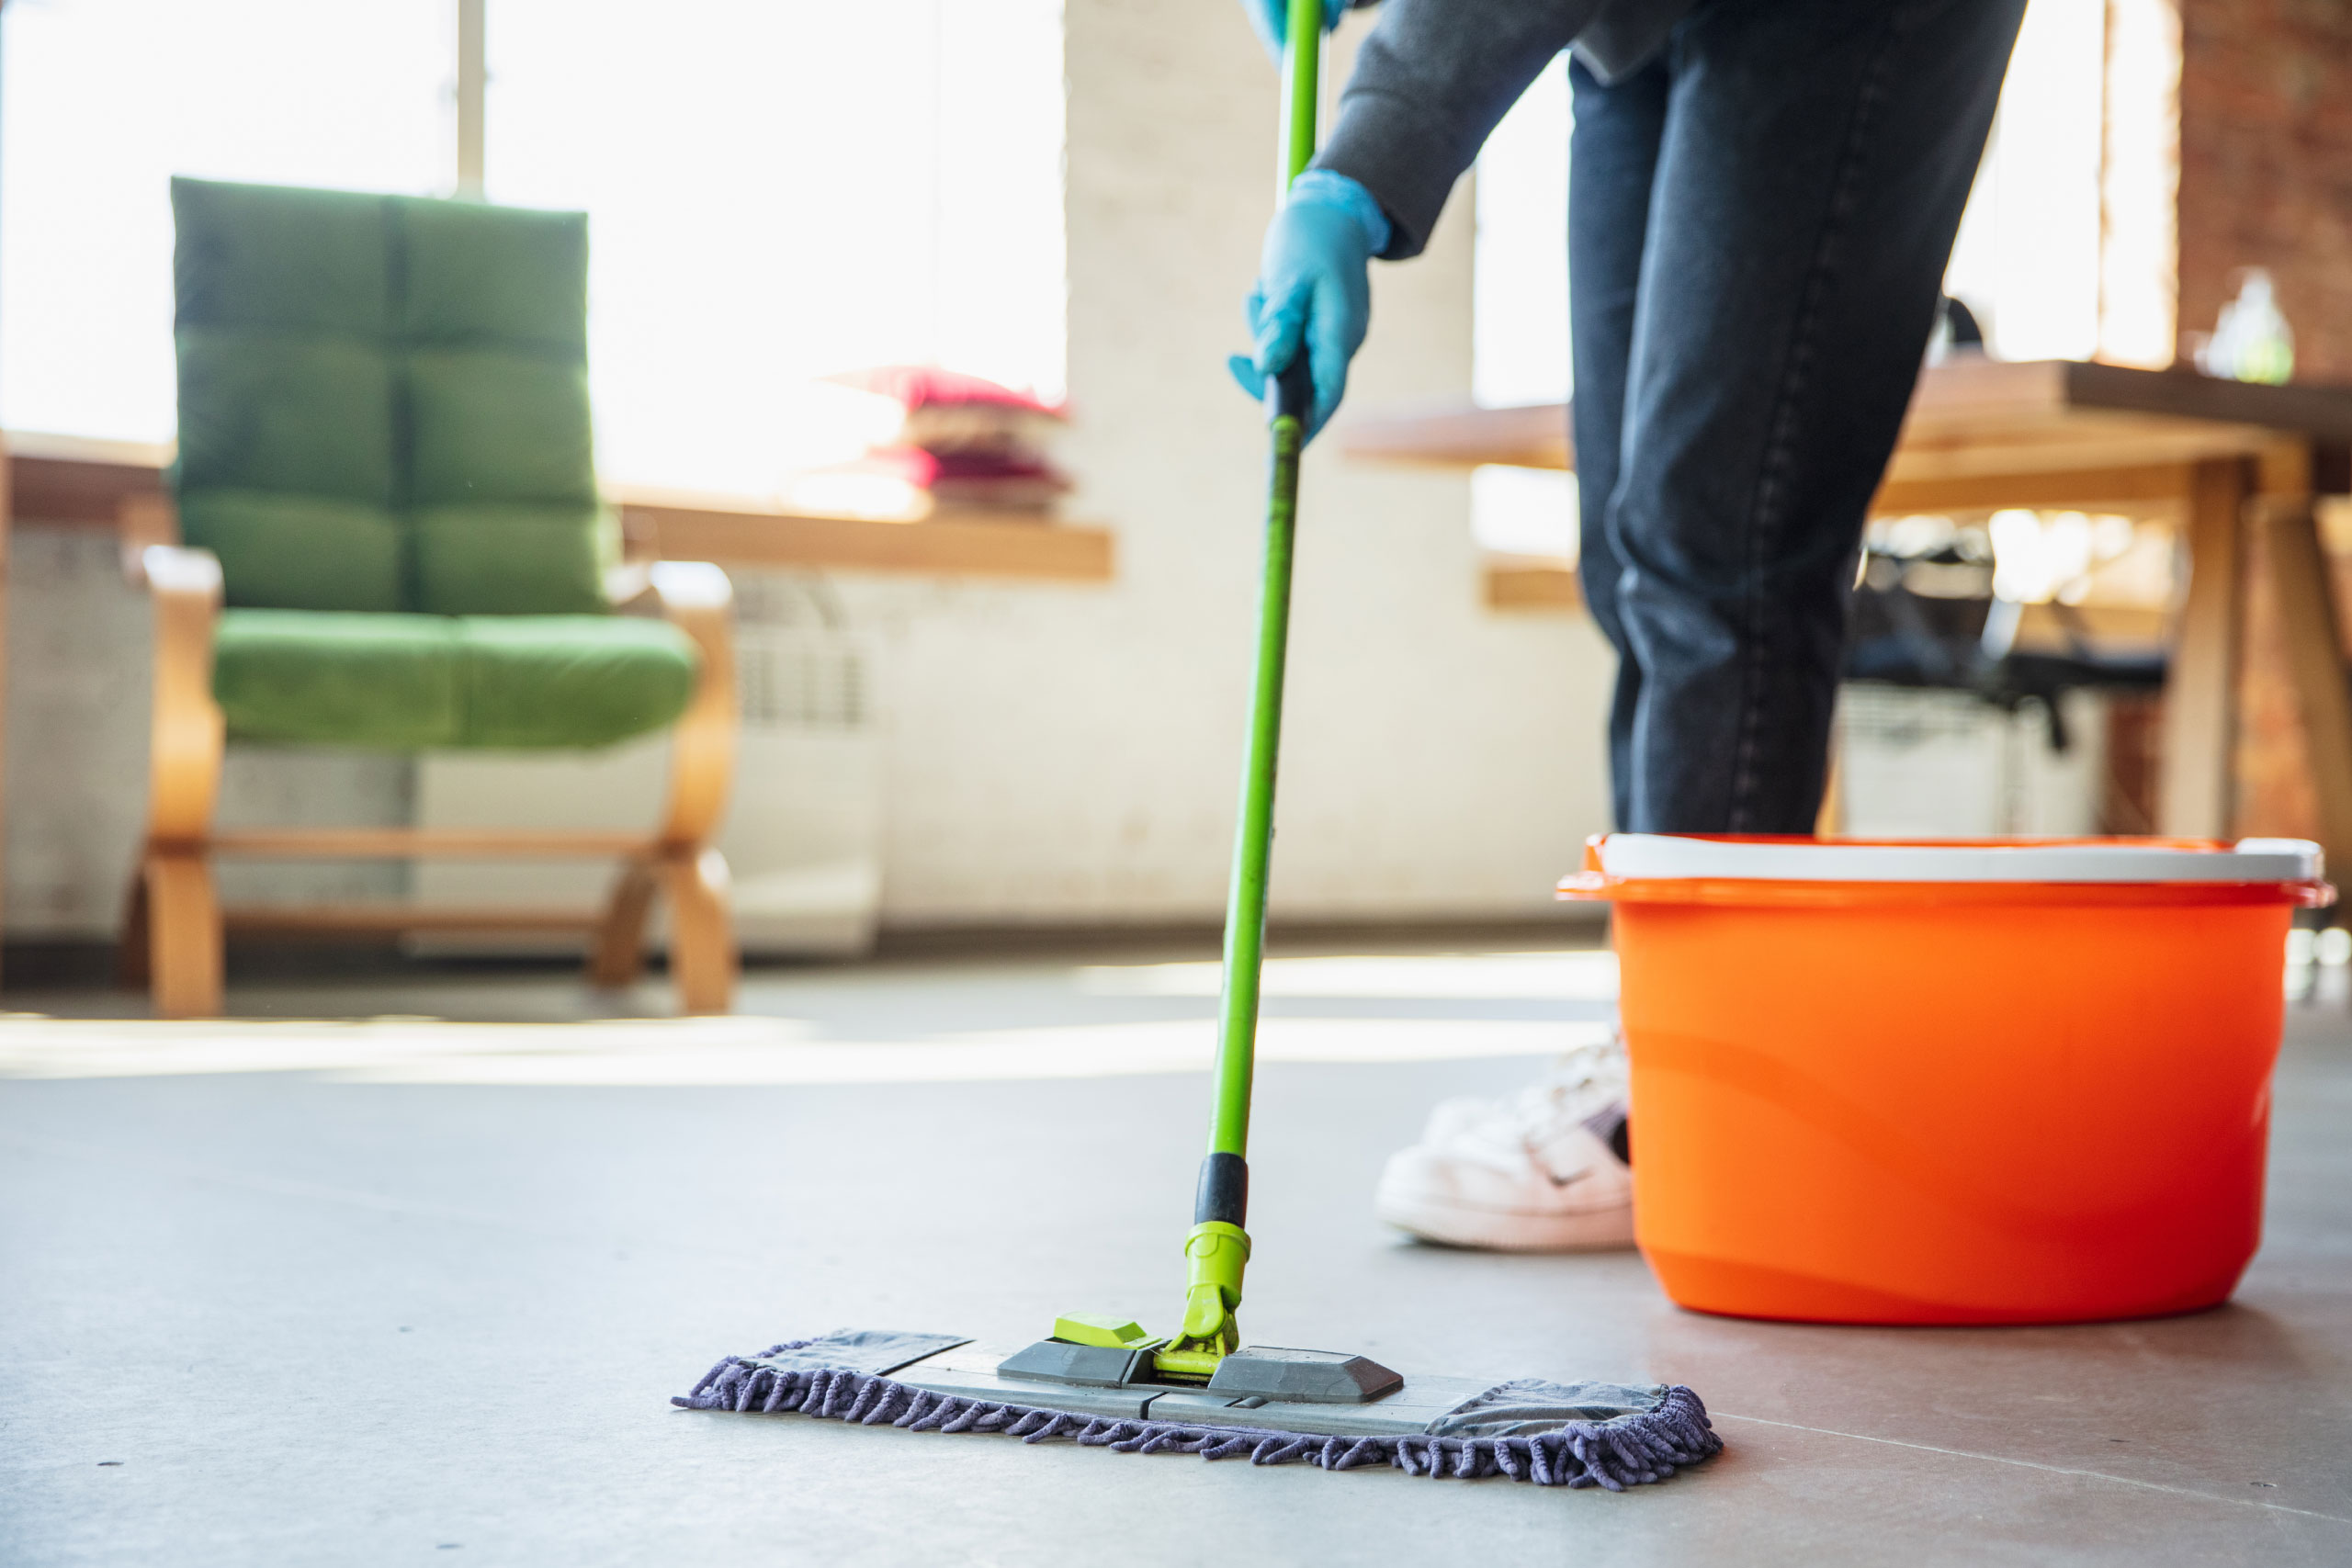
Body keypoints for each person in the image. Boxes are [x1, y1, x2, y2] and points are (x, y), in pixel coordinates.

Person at [1230, 0, 2028, 1249]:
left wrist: (1360, 168)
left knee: (1720, 537)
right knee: (1627, 541)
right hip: (1636, 31)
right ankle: (1659, 1032)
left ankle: (1701, 1090)